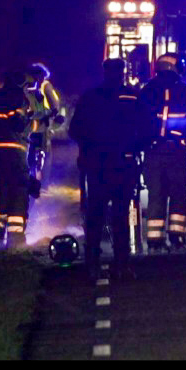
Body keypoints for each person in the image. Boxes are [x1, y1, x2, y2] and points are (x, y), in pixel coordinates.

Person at [69, 58, 144, 280]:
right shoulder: (133, 97)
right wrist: (135, 147)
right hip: (124, 163)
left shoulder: (91, 97)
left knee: (95, 214)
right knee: (121, 215)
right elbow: (149, 128)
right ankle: (122, 264)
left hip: (97, 164)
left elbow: (75, 130)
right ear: (123, 73)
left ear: (104, 72)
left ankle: (92, 263)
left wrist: (88, 150)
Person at [138, 53, 186, 253]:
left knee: (156, 195)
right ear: (176, 68)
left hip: (152, 152)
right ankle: (177, 240)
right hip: (176, 152)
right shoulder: (185, 90)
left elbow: (136, 119)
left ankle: (154, 242)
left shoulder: (147, 90)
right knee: (178, 195)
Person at [0, 70, 35, 248]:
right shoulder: (18, 96)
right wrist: (31, 120)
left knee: (2, 192)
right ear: (21, 83)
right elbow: (18, 123)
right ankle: (15, 241)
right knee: (19, 191)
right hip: (14, 151)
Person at [24, 63, 63, 199]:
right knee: (44, 153)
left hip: (35, 125)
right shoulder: (43, 86)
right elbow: (54, 106)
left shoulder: (29, 87)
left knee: (36, 154)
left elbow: (53, 106)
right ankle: (41, 183)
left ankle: (36, 182)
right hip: (40, 124)